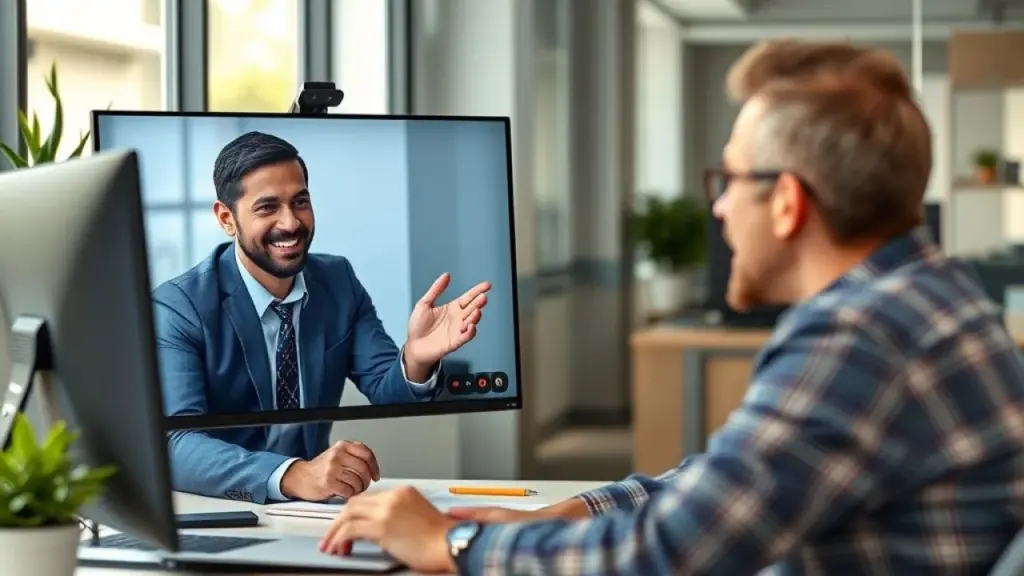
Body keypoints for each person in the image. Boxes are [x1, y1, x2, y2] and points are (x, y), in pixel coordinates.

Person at [317, 39, 1024, 574]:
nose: (716, 204)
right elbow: (730, 480)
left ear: (786, 202)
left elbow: (668, 554)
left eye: (730, 178)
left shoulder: (861, 335)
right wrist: (579, 508)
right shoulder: (925, 296)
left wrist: (453, 542)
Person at [153, 131, 491, 504]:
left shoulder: (337, 280)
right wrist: (293, 474)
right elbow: (174, 442)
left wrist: (416, 357)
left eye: (300, 202)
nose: (291, 223)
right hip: (221, 504)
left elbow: (384, 386)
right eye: (267, 207)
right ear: (226, 218)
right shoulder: (178, 306)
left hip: (316, 505)